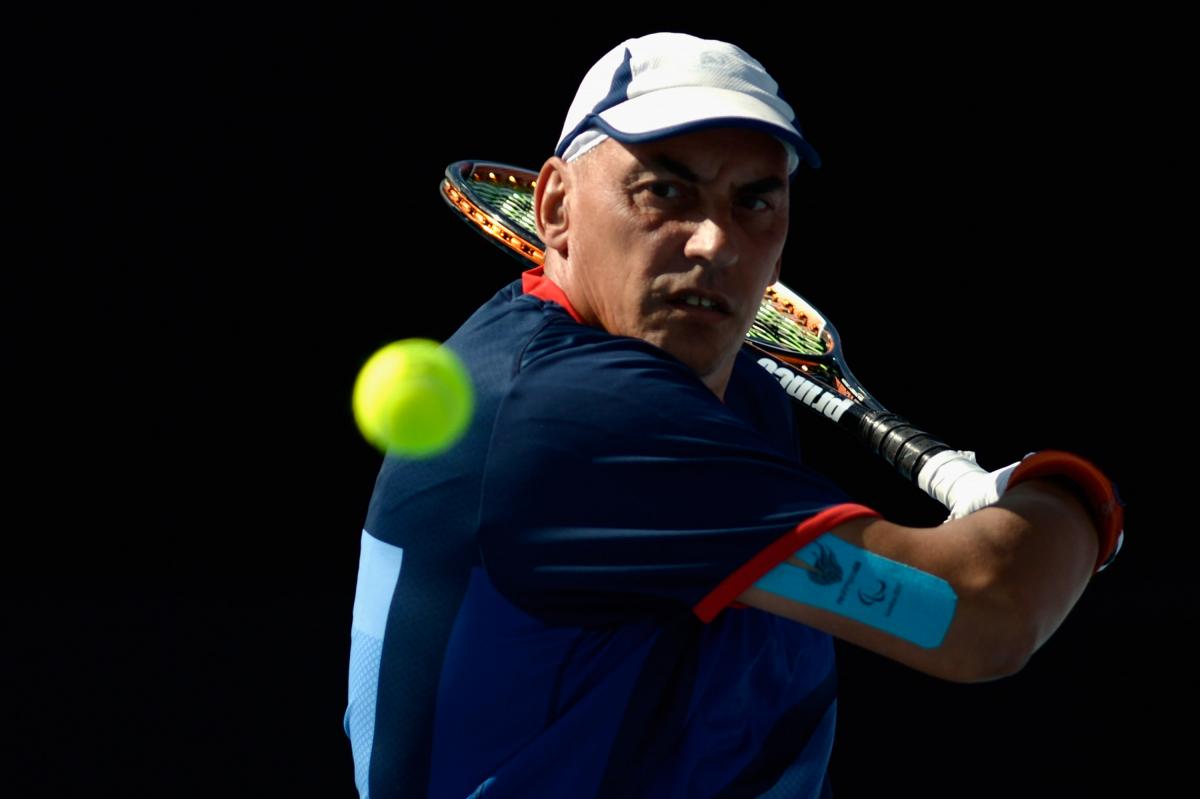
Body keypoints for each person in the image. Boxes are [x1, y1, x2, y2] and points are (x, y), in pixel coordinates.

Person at [343, 32, 1122, 799]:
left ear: (780, 251)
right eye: (666, 190)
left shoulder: (715, 381)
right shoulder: (580, 419)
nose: (716, 243)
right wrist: (1070, 498)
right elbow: (982, 616)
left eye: (754, 201)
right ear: (554, 206)